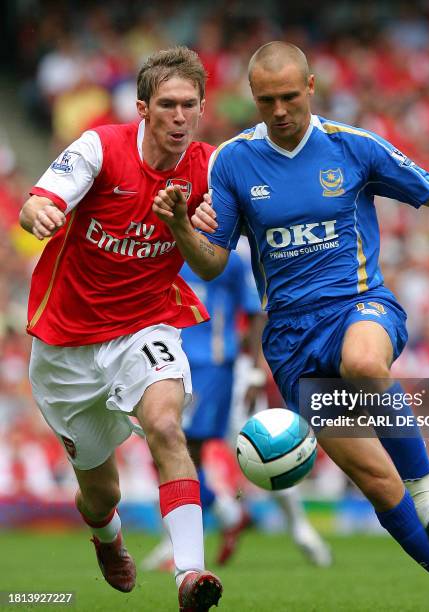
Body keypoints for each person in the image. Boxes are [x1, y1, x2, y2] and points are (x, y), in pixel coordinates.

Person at [154, 41, 429, 611]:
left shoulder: (353, 147)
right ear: (253, 99)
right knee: (379, 485)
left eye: (290, 96)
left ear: (311, 87)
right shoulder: (233, 162)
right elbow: (212, 260)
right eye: (267, 100)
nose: (281, 110)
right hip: (291, 343)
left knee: (364, 364)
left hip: (358, 306)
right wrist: (182, 228)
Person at [20, 47, 223, 612]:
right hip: (66, 346)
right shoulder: (99, 148)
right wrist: (38, 210)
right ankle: (107, 538)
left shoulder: (210, 167)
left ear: (202, 108)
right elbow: (39, 200)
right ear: (142, 107)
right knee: (100, 492)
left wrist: (182, 224)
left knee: (165, 425)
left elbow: (210, 264)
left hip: (145, 324)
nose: (179, 117)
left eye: (190, 105)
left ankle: (191, 574)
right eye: (167, 106)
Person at [142, 241, 331, 571]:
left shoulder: (229, 256)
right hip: (175, 366)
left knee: (266, 451)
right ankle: (201, 529)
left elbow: (255, 314)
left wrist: (257, 372)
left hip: (225, 371)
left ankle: (300, 529)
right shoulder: (163, 250)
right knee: (177, 450)